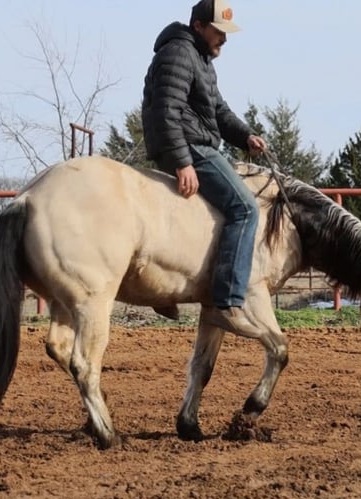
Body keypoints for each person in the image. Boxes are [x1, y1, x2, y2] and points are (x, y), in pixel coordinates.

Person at [142, 0, 267, 335]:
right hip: (189, 146)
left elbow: (219, 111)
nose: (224, 39)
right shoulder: (179, 55)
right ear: (198, 26)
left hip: (191, 143)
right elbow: (165, 111)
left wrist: (246, 136)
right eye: (218, 31)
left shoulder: (201, 60)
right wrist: (182, 161)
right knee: (245, 209)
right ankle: (227, 302)